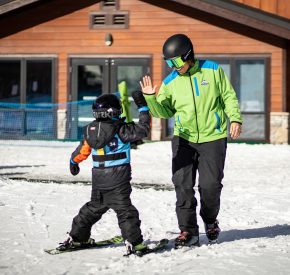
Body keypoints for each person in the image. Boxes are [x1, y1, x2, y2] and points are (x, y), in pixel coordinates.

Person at [140, 34, 242, 248]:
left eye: (176, 62)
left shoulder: (213, 70)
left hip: (213, 137)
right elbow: (163, 112)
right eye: (168, 63)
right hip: (183, 139)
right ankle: (188, 230)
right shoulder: (170, 82)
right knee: (183, 186)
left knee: (210, 186)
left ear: (188, 56)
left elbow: (228, 96)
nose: (173, 67)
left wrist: (235, 118)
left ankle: (210, 219)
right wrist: (150, 98)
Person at [59, 91, 151, 255]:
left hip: (99, 180)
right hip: (118, 179)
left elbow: (83, 150)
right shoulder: (122, 129)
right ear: (114, 111)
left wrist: (74, 162)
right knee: (125, 211)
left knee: (93, 208)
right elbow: (143, 129)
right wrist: (143, 107)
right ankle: (135, 243)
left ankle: (78, 237)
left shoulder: (91, 131)